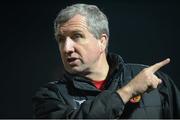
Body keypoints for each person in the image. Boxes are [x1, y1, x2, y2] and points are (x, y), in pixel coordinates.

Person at [32, 3, 180, 118]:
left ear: (102, 41)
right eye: (61, 39)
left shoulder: (155, 80)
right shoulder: (50, 96)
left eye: (76, 36)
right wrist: (128, 92)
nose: (66, 48)